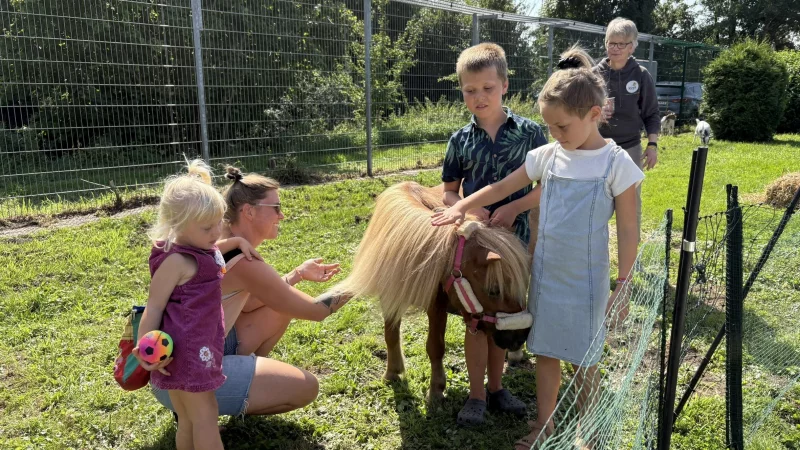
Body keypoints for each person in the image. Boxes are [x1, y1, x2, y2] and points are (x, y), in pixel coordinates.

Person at [432, 46, 643, 449]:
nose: (556, 136)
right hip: (544, 274)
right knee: (546, 354)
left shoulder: (617, 165)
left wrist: (624, 284)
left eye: (562, 127)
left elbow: (629, 230)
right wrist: (460, 205)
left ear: (594, 115)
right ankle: (543, 427)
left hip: (588, 280)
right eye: (551, 128)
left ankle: (589, 431)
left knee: (585, 362)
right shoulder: (549, 155)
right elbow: (502, 187)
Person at [143, 165, 351, 428]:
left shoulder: (212, 241)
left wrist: (297, 273)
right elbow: (317, 311)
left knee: (279, 308)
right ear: (249, 211)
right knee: (307, 388)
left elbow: (253, 302)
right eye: (275, 207)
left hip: (179, 353)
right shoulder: (238, 259)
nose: (282, 215)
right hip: (189, 367)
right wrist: (362, 281)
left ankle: (233, 389)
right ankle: (210, 403)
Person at [440, 42, 548, 426]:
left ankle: (498, 388)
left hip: (516, 243)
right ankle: (475, 395)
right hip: (476, 247)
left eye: (487, 88)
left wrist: (516, 206)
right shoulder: (459, 141)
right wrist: (467, 206)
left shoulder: (532, 133)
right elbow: (449, 191)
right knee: (476, 320)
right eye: (470, 90)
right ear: (462, 92)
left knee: (503, 316)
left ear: (504, 84)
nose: (479, 97)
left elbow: (547, 185)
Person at [133, 160, 264, 450]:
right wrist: (144, 349)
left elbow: (213, 249)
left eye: (220, 221)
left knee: (190, 420)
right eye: (208, 227)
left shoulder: (198, 246)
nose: (217, 231)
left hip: (196, 348)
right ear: (179, 226)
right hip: (189, 352)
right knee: (206, 416)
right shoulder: (177, 261)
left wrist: (238, 241)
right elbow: (153, 307)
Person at [593, 17, 659, 236]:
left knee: (630, 203)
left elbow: (651, 113)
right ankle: (593, 241)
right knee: (594, 199)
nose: (615, 48)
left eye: (621, 44)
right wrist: (595, 114)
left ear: (632, 46)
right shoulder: (594, 75)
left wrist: (652, 145)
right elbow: (579, 111)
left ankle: (631, 251)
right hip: (597, 147)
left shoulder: (641, 75)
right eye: (611, 43)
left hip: (630, 148)